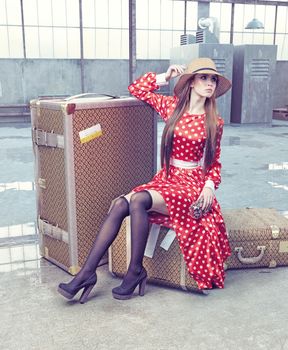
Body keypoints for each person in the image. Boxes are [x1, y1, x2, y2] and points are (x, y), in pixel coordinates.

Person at [58, 57, 232, 304]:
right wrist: (166, 76)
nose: (210, 83)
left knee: (138, 200)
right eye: (204, 77)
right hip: (168, 178)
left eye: (213, 79)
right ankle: (87, 274)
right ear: (191, 82)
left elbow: (214, 162)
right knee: (120, 204)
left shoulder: (213, 121)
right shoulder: (172, 107)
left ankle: (135, 270)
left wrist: (209, 186)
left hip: (191, 185)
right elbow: (136, 89)